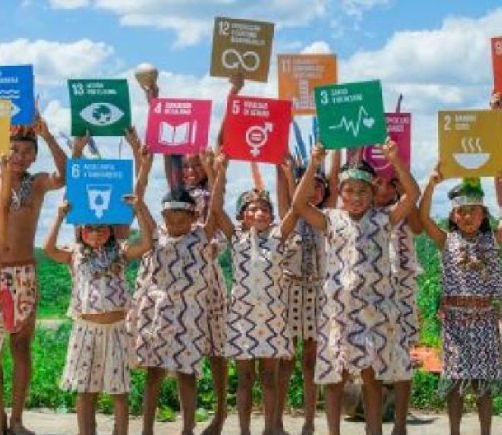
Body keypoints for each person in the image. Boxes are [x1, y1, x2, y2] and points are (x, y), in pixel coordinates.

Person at [292, 140, 419, 435]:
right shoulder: (331, 219)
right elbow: (299, 205)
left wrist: (395, 161)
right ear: (340, 192)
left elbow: (412, 195)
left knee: (371, 376)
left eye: (363, 191)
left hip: (375, 312)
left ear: (373, 193)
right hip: (338, 313)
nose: (356, 197)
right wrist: (313, 164)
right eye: (349, 190)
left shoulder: (384, 219)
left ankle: (374, 430)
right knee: (335, 376)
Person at [43, 182, 151, 435]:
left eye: (101, 227)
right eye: (89, 228)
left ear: (111, 229)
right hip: (85, 331)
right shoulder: (74, 254)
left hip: (116, 330)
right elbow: (48, 249)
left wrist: (139, 209)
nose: (95, 233)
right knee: (85, 390)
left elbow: (147, 244)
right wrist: (59, 216)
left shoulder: (121, 251)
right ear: (80, 231)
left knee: (119, 391)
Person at [210, 154, 297, 435]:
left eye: (264, 209)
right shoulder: (235, 237)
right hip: (242, 319)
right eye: (251, 208)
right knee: (245, 378)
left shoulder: (278, 237)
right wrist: (220, 172)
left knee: (269, 377)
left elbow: (296, 208)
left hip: (271, 318)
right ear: (241, 215)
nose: (258, 213)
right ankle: (244, 431)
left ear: (271, 216)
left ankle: (270, 429)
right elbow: (215, 209)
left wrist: (288, 175)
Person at [129, 178, 220, 435]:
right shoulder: (156, 236)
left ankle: (188, 429)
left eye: (181, 221)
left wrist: (217, 172)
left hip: (190, 317)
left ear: (194, 217)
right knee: (154, 373)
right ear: (163, 218)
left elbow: (215, 208)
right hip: (157, 316)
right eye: (170, 221)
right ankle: (146, 430)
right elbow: (141, 208)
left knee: (187, 374)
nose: (175, 226)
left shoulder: (201, 237)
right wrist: (139, 197)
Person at [419, 170, 502, 435]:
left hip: (485, 321)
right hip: (455, 323)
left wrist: (499, 187)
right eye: (461, 211)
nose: (467, 216)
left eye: (473, 211)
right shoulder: (446, 240)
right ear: (454, 216)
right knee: (454, 383)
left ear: (483, 214)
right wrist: (430, 185)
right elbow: (423, 218)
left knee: (483, 384)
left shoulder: (492, 240)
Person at [0, 115, 66, 434]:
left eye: (27, 151)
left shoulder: (37, 183)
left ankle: (17, 420)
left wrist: (48, 136)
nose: (20, 156)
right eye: (14, 149)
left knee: (21, 347)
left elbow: (64, 176)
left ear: (34, 156)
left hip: (24, 272)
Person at [275, 150, 340, 435]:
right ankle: (276, 420)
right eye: (307, 186)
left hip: (318, 293)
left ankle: (310, 421)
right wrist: (284, 170)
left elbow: (335, 180)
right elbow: (286, 192)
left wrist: (338, 147)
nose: (313, 191)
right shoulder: (287, 217)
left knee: (312, 359)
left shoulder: (329, 218)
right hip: (290, 292)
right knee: (285, 359)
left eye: (318, 186)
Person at [373, 175, 422, 435]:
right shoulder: (364, 212)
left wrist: (405, 191)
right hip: (372, 289)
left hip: (402, 287)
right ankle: (374, 424)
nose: (383, 188)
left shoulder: (404, 209)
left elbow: (418, 227)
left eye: (390, 184)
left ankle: (400, 425)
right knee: (373, 357)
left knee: (403, 356)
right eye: (378, 182)